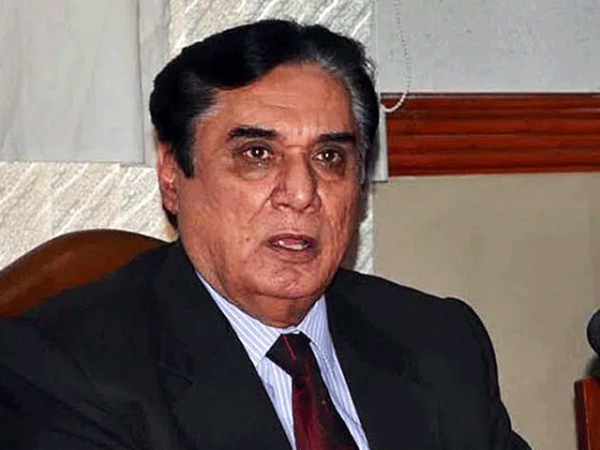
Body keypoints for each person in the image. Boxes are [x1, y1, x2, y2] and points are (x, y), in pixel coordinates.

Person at [0, 19, 530, 450]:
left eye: (330, 157)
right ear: (172, 174)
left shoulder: (440, 342)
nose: (300, 192)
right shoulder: (60, 369)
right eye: (257, 154)